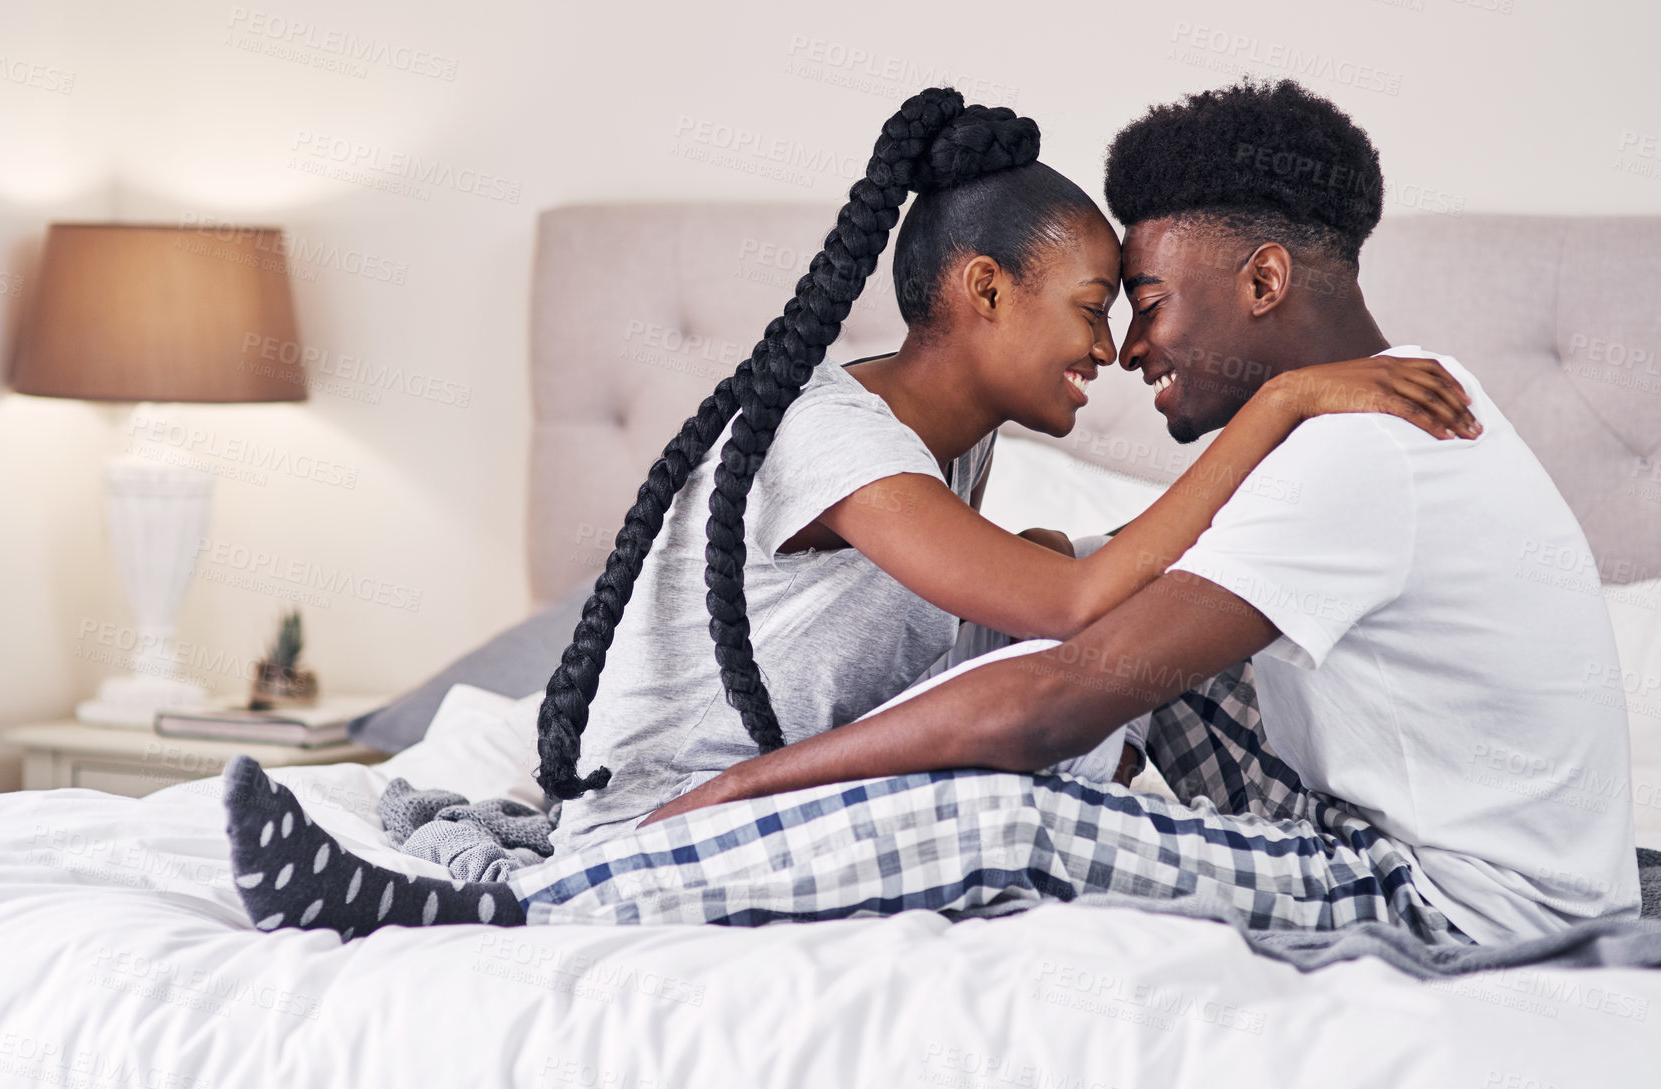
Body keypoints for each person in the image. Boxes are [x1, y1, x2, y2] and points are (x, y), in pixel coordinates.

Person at [218, 84, 1477, 939]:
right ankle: (479, 914)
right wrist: (1282, 405)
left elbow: (1046, 601)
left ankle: (1319, 840)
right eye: (1091, 303)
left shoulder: (953, 450)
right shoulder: (832, 437)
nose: (1108, 343)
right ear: (984, 291)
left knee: (1147, 628)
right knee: (1087, 618)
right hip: (685, 802)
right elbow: (1071, 609)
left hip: (791, 770)